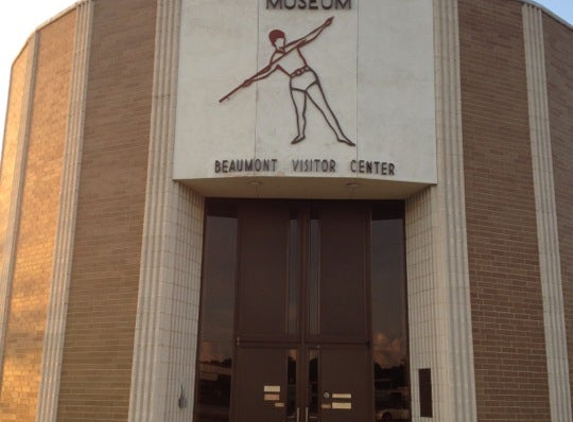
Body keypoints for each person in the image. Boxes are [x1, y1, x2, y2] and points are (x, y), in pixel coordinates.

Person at [242, 18, 355, 146]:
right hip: (296, 83)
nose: (283, 41)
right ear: (274, 42)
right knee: (300, 111)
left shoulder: (292, 46)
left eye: (283, 39)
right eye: (280, 39)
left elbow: (309, 37)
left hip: (308, 77)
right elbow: (267, 72)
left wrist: (323, 26)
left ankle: (340, 136)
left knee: (324, 108)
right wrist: (251, 80)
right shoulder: (275, 58)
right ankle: (301, 134)